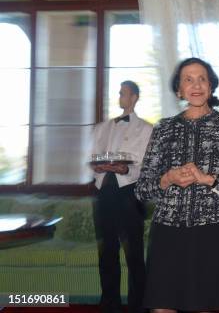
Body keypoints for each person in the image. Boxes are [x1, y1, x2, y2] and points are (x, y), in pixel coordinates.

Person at [135, 57, 219, 313]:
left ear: (211, 86)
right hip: (166, 229)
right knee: (162, 306)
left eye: (202, 79)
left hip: (211, 230)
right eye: (188, 80)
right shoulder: (164, 128)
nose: (196, 85)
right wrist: (167, 178)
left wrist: (209, 179)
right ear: (179, 89)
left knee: (204, 305)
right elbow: (142, 188)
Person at [90, 80, 152, 313]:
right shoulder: (101, 128)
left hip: (129, 193)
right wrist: (95, 167)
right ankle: (109, 304)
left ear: (134, 97)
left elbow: (145, 164)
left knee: (134, 253)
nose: (119, 96)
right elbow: (92, 155)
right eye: (119, 93)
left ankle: (139, 306)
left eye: (123, 93)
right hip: (103, 191)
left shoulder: (146, 129)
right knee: (106, 252)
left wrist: (126, 169)